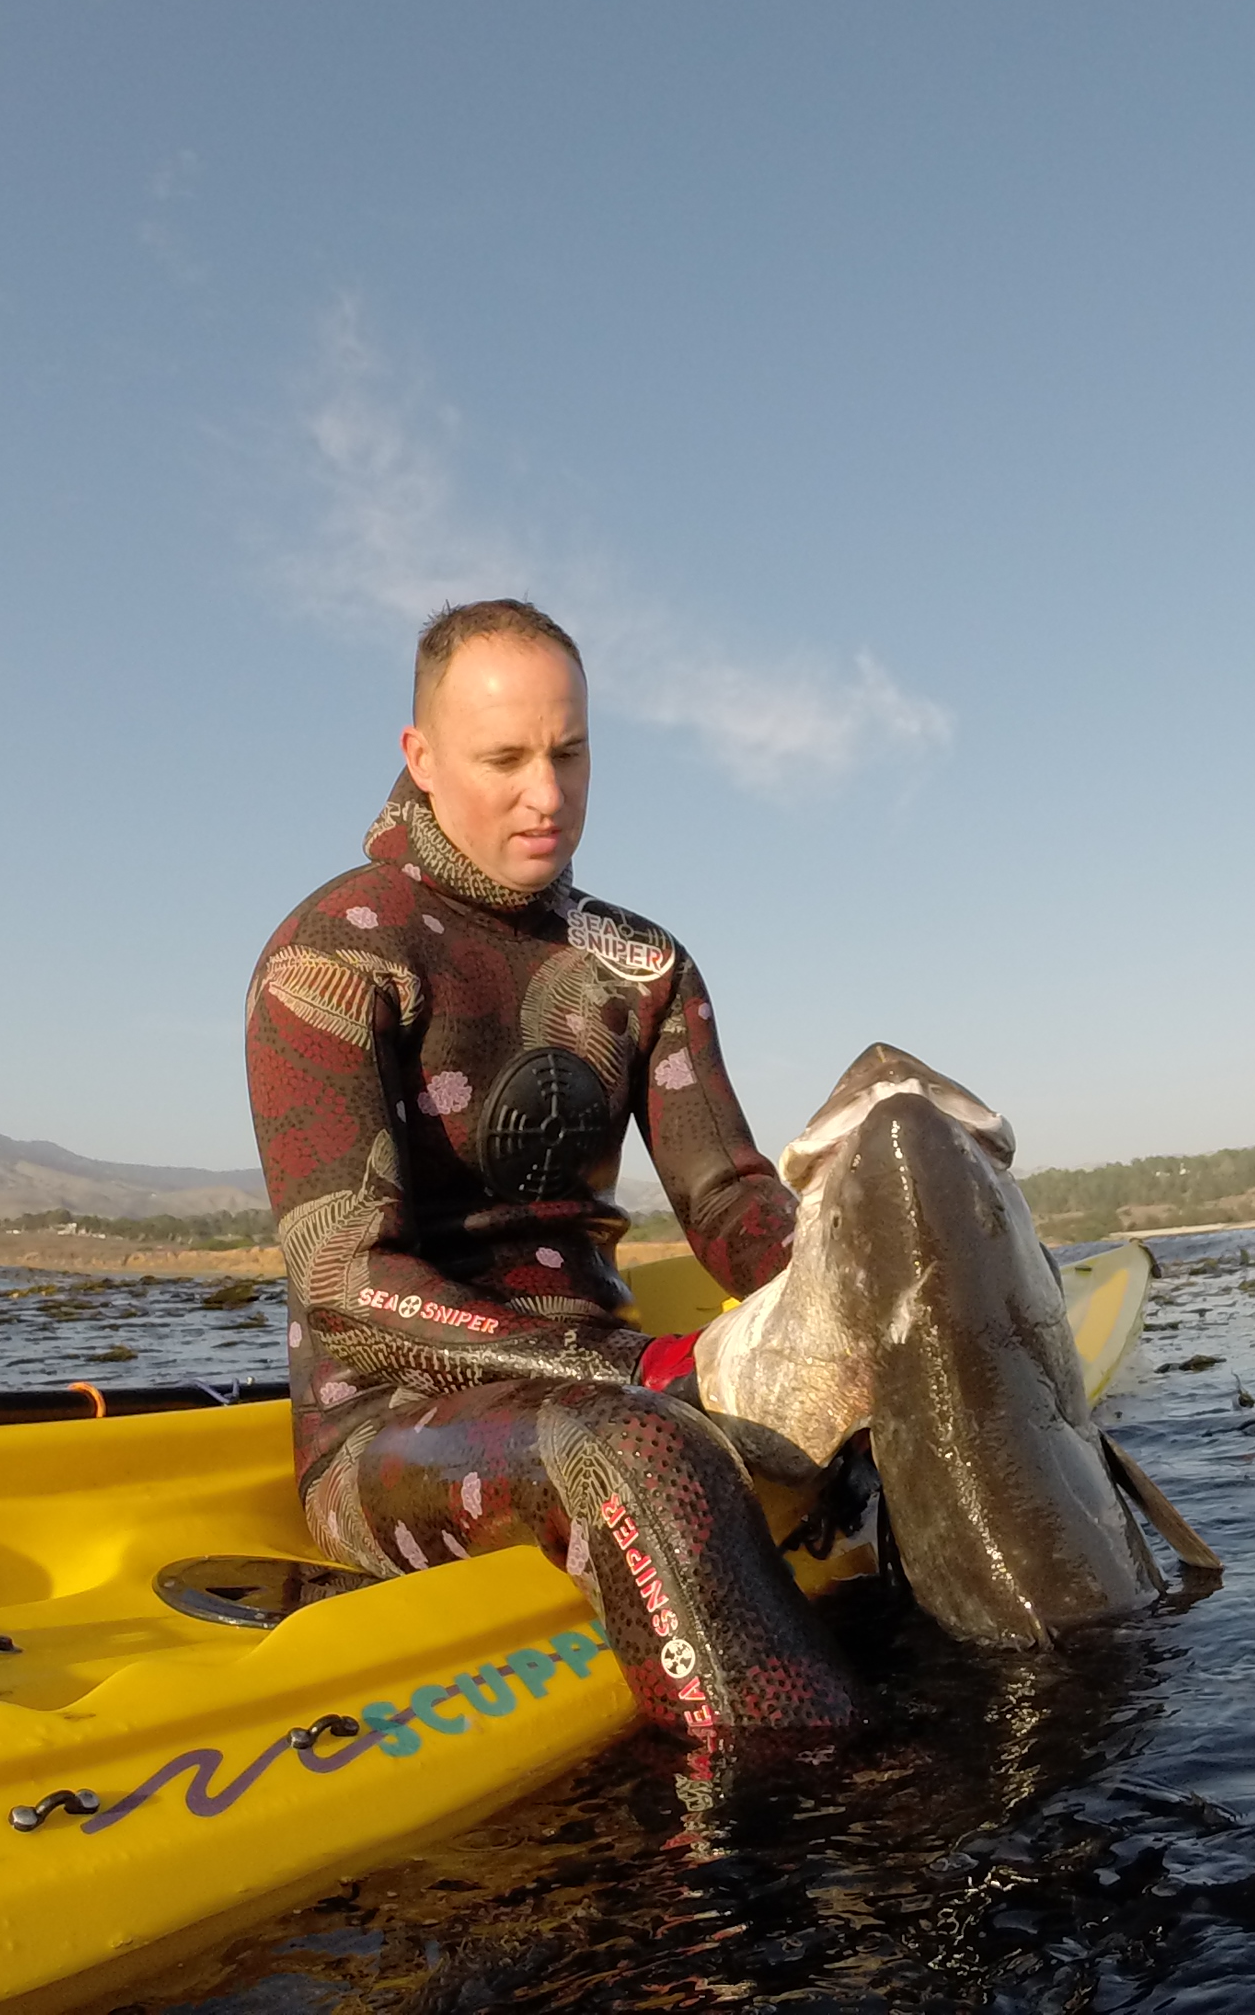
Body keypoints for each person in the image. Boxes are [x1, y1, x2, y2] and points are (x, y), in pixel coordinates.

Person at [243, 597, 861, 1740]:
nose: (547, 794)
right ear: (419, 760)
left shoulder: (638, 965)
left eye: (569, 754)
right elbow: (343, 1282)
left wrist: (839, 1294)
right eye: (504, 759)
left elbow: (727, 1197)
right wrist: (641, 1370)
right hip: (392, 1427)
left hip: (614, 1370)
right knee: (633, 1449)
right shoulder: (333, 954)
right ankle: (805, 1816)